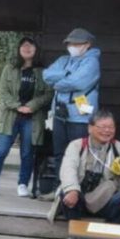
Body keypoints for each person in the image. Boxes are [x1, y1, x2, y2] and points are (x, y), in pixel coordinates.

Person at [0, 36, 50, 197]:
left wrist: (31, 106)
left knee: (27, 153)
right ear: (19, 50)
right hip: (10, 116)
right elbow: (3, 92)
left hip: (32, 118)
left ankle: (22, 184)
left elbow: (49, 94)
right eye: (23, 47)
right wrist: (18, 106)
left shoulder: (43, 71)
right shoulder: (9, 68)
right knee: (0, 150)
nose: (27, 49)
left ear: (36, 50)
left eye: (30, 46)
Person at [58, 110, 120, 223]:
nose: (107, 131)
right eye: (102, 127)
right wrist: (72, 189)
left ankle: (111, 233)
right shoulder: (77, 145)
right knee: (66, 192)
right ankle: (74, 234)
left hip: (107, 202)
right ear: (90, 128)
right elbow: (68, 169)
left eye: (111, 127)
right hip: (79, 199)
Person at [43, 28, 102, 180]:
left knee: (78, 154)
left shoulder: (92, 62)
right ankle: (59, 189)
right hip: (60, 114)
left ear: (87, 44)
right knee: (59, 153)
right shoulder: (64, 60)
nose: (72, 46)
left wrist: (58, 82)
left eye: (76, 43)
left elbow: (77, 82)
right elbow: (47, 75)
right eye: (70, 43)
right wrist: (67, 75)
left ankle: (74, 189)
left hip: (80, 117)